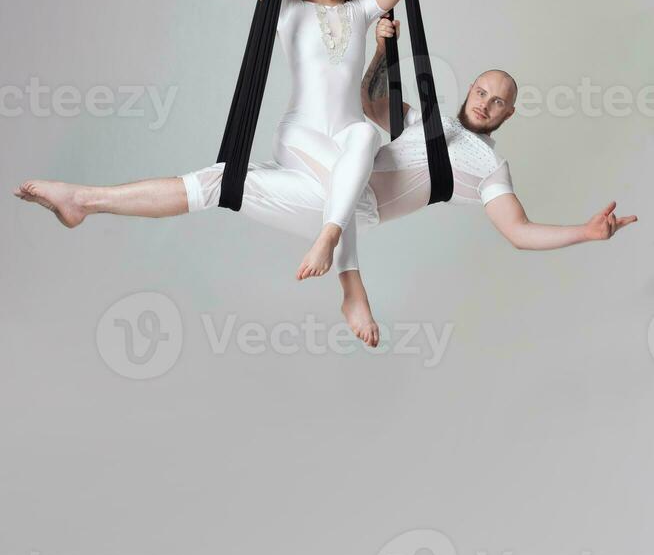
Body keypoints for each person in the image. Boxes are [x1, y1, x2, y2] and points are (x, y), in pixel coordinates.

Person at [14, 21, 638, 348]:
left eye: (499, 101)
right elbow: (368, 101)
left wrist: (585, 233)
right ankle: (84, 200)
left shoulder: (484, 166)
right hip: (324, 192)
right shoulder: (427, 119)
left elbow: (520, 233)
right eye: (481, 90)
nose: (486, 103)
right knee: (222, 179)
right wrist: (381, 49)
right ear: (470, 89)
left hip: (352, 211)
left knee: (358, 144)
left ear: (507, 115)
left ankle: (350, 284)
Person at [253, 0, 417, 289]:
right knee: (348, 184)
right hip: (299, 135)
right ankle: (352, 285)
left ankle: (328, 239)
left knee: (365, 137)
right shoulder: (287, 10)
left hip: (346, 133)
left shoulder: (360, 11)